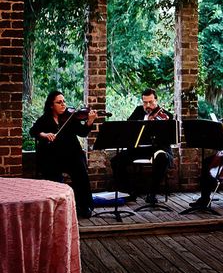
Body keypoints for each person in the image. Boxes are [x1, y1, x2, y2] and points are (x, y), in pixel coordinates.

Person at [30, 90, 97, 218]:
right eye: (59, 102)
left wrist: (89, 122)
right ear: (51, 105)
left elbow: (82, 132)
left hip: (71, 154)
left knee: (81, 171)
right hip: (52, 156)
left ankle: (84, 206)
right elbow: (33, 131)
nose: (63, 104)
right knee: (51, 173)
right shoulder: (45, 120)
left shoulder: (71, 118)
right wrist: (44, 134)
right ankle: (55, 207)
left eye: (64, 101)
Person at [111, 88, 173, 204]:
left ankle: (152, 194)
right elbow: (128, 128)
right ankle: (128, 192)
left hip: (158, 149)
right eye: (145, 102)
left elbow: (169, 138)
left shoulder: (166, 115)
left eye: (151, 102)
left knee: (162, 158)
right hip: (139, 149)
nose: (148, 105)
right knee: (116, 161)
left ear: (156, 100)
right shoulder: (138, 111)